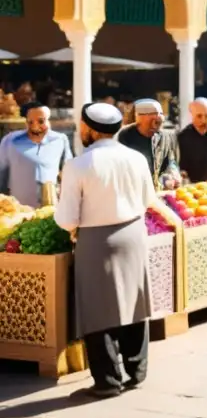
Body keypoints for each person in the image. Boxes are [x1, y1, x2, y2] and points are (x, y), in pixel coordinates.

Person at [55, 103, 156, 398]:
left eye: (82, 126)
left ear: (90, 129)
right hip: (134, 234)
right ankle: (137, 371)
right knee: (134, 301)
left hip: (97, 241)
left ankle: (108, 380)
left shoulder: (78, 165)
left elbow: (67, 219)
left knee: (97, 310)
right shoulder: (135, 157)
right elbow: (149, 198)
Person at [0, 102, 73, 207]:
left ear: (48, 121)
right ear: (25, 122)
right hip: (18, 211)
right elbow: (1, 176)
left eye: (41, 121)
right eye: (30, 122)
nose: (35, 127)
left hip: (50, 210)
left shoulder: (60, 140)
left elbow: (68, 172)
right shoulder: (10, 141)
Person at [116, 99, 181, 190]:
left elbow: (170, 163)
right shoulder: (121, 137)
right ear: (137, 117)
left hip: (154, 194)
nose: (159, 117)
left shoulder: (164, 137)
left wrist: (172, 176)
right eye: (152, 113)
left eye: (160, 113)